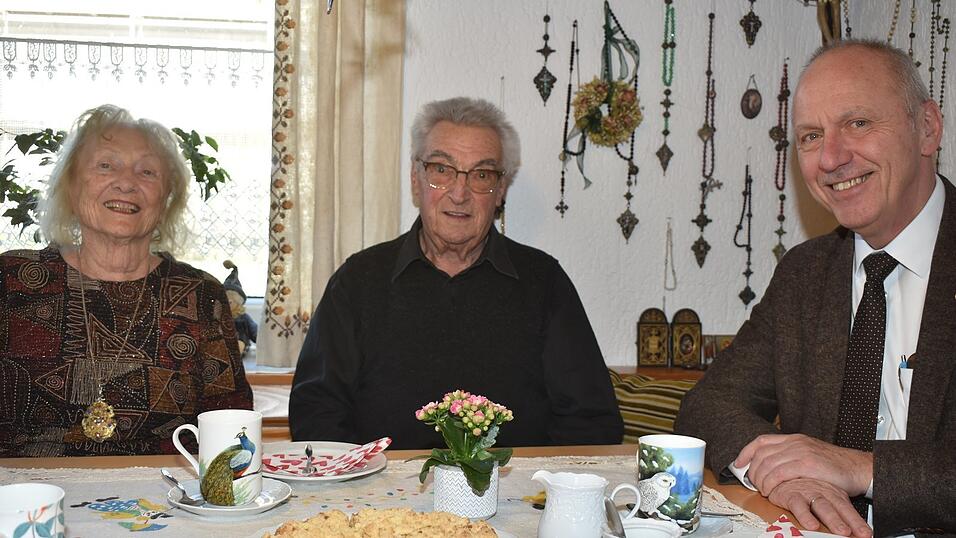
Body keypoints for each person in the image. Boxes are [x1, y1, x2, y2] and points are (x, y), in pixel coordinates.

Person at [676, 39, 955, 537]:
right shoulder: (805, 273)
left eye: (858, 123)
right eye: (809, 136)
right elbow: (707, 405)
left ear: (927, 129)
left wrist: (863, 469)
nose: (829, 158)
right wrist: (785, 475)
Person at [290, 97, 623, 449]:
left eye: (481, 175)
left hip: (513, 497)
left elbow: (591, 420)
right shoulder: (358, 280)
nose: (459, 193)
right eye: (441, 170)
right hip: (381, 495)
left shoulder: (545, 283)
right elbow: (317, 411)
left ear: (501, 191)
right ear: (415, 180)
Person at [0, 104, 253, 457]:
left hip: (162, 503)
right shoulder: (10, 282)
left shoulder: (201, 295)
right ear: (71, 186)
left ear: (165, 201)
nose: (126, 182)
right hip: (26, 503)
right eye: (106, 165)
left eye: (147, 172)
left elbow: (231, 429)